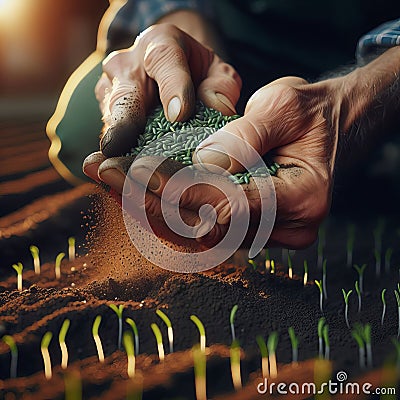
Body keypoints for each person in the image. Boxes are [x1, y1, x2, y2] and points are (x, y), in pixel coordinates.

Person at [48, 0, 400, 249]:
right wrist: (185, 28)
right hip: (245, 27)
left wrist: (357, 102)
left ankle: (371, 160)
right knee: (86, 132)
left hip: (384, 34)